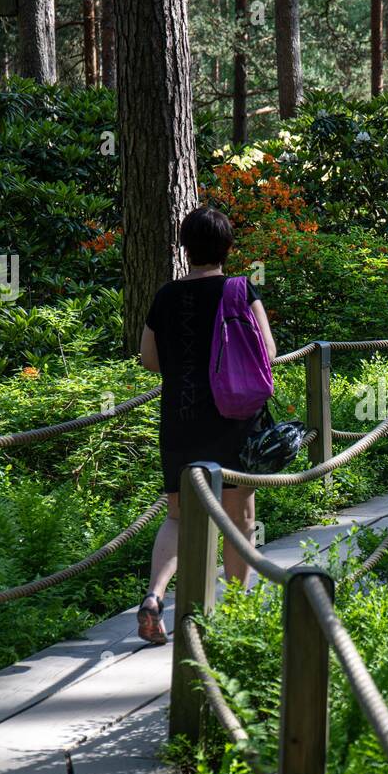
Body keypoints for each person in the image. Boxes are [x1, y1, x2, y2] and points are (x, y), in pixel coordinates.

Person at [135, 207, 277, 645]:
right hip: (233, 417)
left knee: (177, 515)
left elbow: (149, 360)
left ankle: (155, 597)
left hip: (180, 418)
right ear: (228, 247)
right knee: (240, 518)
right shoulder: (240, 289)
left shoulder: (165, 296)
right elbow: (267, 353)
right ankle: (233, 613)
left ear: (185, 248)